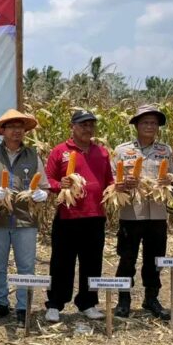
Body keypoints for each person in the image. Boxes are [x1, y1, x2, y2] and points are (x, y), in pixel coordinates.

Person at [0, 109, 49, 325]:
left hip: (25, 220)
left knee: (26, 266)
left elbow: (44, 185)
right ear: (3, 130)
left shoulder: (32, 156)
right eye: (12, 127)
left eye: (20, 127)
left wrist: (41, 194)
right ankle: (0, 303)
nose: (17, 131)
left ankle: (22, 306)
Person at [44, 110, 114, 322]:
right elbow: (48, 180)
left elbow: (108, 179)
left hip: (95, 216)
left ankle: (88, 302)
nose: (88, 128)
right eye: (83, 124)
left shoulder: (101, 152)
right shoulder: (60, 151)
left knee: (92, 263)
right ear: (72, 126)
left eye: (91, 124)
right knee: (61, 262)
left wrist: (115, 188)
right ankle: (55, 303)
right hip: (68, 216)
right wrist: (59, 185)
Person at [111, 105, 172, 319]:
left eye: (154, 123)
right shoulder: (121, 151)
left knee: (155, 258)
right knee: (127, 258)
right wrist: (120, 182)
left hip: (157, 214)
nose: (150, 126)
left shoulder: (166, 150)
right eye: (145, 122)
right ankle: (123, 299)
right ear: (136, 125)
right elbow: (111, 180)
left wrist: (168, 180)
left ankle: (151, 298)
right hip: (131, 214)